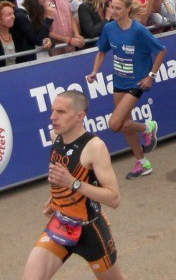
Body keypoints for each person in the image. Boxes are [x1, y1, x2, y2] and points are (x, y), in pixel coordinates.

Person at [22, 90, 129, 280]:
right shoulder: (57, 137)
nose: (52, 117)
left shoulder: (95, 147)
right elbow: (65, 178)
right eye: (53, 110)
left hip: (91, 231)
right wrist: (57, 198)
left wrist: (73, 184)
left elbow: (114, 198)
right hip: (61, 225)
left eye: (61, 112)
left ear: (80, 116)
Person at [87, 0, 164, 181]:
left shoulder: (139, 30)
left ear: (128, 10)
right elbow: (102, 51)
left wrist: (151, 76)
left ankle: (147, 127)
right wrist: (95, 71)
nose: (113, 11)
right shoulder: (109, 28)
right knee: (125, 125)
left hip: (136, 83)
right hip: (118, 82)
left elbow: (161, 50)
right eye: (112, 7)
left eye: (118, 8)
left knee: (114, 124)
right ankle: (142, 162)